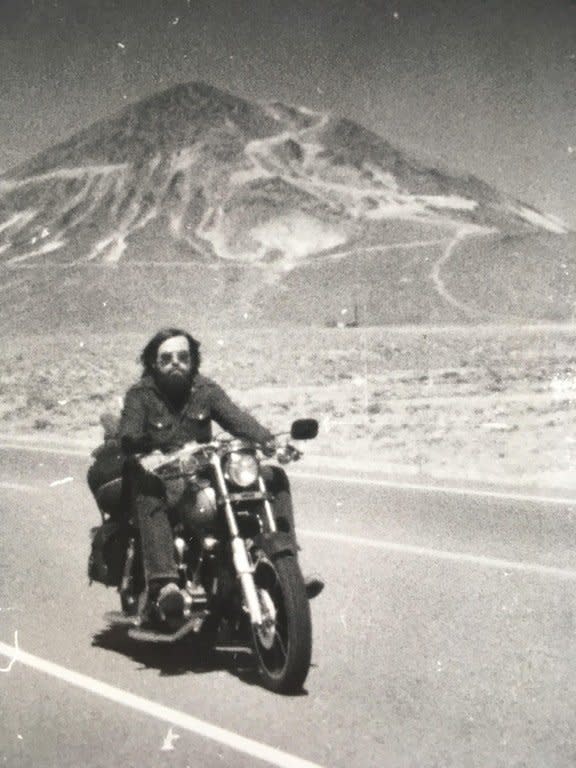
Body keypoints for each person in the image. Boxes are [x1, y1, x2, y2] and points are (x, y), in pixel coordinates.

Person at [116, 327, 323, 625]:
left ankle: (288, 564)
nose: (176, 363)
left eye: (183, 357)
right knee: (149, 487)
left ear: (193, 360)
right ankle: (165, 584)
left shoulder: (205, 390)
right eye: (166, 358)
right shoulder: (141, 395)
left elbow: (237, 419)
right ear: (153, 363)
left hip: (203, 470)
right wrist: (146, 450)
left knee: (272, 478)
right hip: (165, 472)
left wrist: (271, 444)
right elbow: (129, 434)